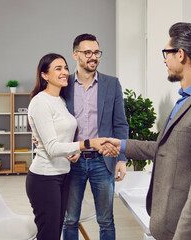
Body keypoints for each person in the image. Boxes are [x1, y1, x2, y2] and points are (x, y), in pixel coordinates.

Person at [100, 22, 191, 240]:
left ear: (180, 54)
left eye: (167, 52)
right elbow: (172, 149)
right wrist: (122, 145)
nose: (165, 59)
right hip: (170, 224)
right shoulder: (186, 99)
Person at [26, 53, 118, 240]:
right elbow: (51, 148)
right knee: (49, 234)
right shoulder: (40, 102)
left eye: (65, 68)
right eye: (58, 68)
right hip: (45, 178)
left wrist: (73, 152)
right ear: (44, 75)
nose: (64, 72)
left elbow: (60, 138)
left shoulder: (60, 100)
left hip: (63, 175)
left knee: (56, 230)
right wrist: (88, 144)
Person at [61, 33, 129, 240]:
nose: (93, 57)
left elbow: (120, 123)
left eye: (96, 52)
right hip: (73, 161)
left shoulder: (112, 84)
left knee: (106, 221)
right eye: (87, 52)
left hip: (103, 161)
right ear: (75, 55)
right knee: (70, 219)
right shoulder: (64, 84)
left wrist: (122, 159)